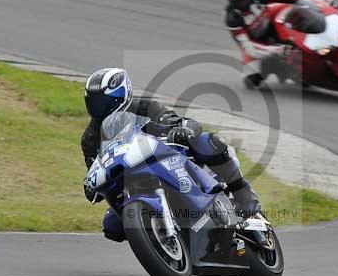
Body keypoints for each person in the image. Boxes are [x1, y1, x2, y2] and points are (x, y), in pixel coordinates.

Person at [80, 67, 261, 241]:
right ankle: (157, 237)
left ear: (122, 95)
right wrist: (90, 184)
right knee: (112, 227)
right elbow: (95, 169)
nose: (99, 108)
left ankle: (242, 193)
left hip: (168, 161)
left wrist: (183, 130)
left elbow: (182, 122)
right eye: (94, 102)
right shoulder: (90, 138)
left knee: (208, 141)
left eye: (104, 101)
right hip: (130, 182)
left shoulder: (145, 108)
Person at [224, 0, 338, 87]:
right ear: (231, 1)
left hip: (272, 18)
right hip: (258, 42)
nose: (243, 5)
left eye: (246, 0)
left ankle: (319, 28)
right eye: (239, 2)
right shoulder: (233, 19)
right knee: (251, 78)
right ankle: (283, 68)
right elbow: (248, 47)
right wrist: (276, 50)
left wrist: (320, 1)